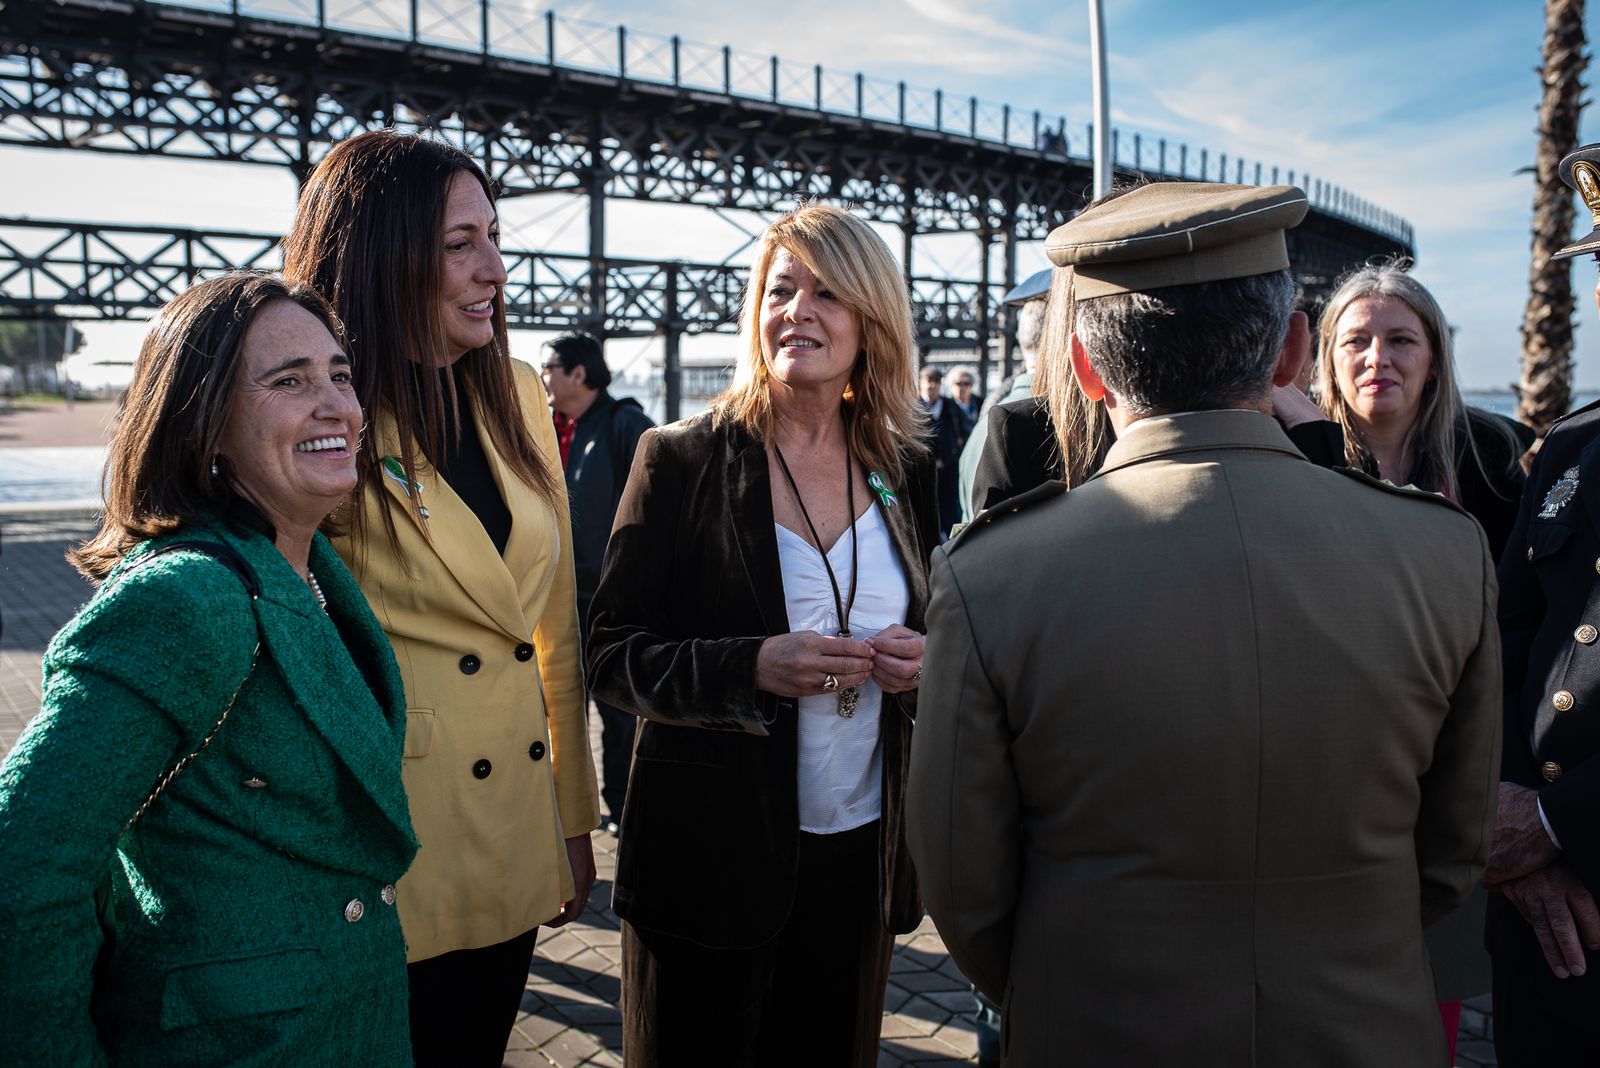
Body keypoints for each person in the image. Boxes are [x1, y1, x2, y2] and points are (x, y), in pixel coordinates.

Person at [907, 182, 1502, 1067]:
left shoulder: (992, 574)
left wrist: (1058, 985)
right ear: (1296, 350)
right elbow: (1454, 853)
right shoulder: (1442, 553)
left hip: (1098, 1030)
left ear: (1083, 367)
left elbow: (962, 880)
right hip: (1368, 1029)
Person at [0, 273, 418, 1066]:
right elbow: (23, 872)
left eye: (339, 374)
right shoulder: (186, 598)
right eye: (288, 381)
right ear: (205, 423)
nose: (338, 405)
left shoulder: (310, 568)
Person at [586, 202, 940, 1067]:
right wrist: (750, 668)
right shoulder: (681, 459)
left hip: (859, 859)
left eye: (828, 293)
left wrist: (928, 666)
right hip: (708, 867)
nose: (799, 311)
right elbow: (609, 655)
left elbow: (943, 628)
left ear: (872, 319)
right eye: (782, 289)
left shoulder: (907, 468)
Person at [281, 129, 600, 1067]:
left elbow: (555, 631)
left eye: (493, 239)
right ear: (381, 256)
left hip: (511, 837)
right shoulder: (322, 406)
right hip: (386, 844)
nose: (495, 270)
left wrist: (571, 821)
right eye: (460, 246)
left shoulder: (516, 388)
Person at [1486, 142, 1600, 1066]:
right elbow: (1513, 640)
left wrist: (1561, 825)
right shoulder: (1570, 449)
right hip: (1545, 920)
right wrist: (1513, 814)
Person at [1314, 262, 1533, 561]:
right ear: (1330, 363)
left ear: (1433, 362)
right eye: (1356, 341)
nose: (1377, 359)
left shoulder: (1487, 457)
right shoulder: (1297, 450)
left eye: (1400, 340)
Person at [542, 330, 655, 833]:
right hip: (559, 595)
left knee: (617, 709)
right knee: (560, 707)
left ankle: (626, 808)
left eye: (549, 368)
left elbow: (667, 492)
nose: (542, 377)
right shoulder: (549, 425)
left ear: (578, 374)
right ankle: (570, 811)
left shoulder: (625, 423)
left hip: (611, 595)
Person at [920, 363, 969, 535]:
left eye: (936, 381)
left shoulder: (949, 406)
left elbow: (963, 428)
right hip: (923, 467)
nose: (932, 385)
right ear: (921, 383)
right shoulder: (914, 406)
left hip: (948, 465)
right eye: (928, 380)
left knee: (949, 504)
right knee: (926, 505)